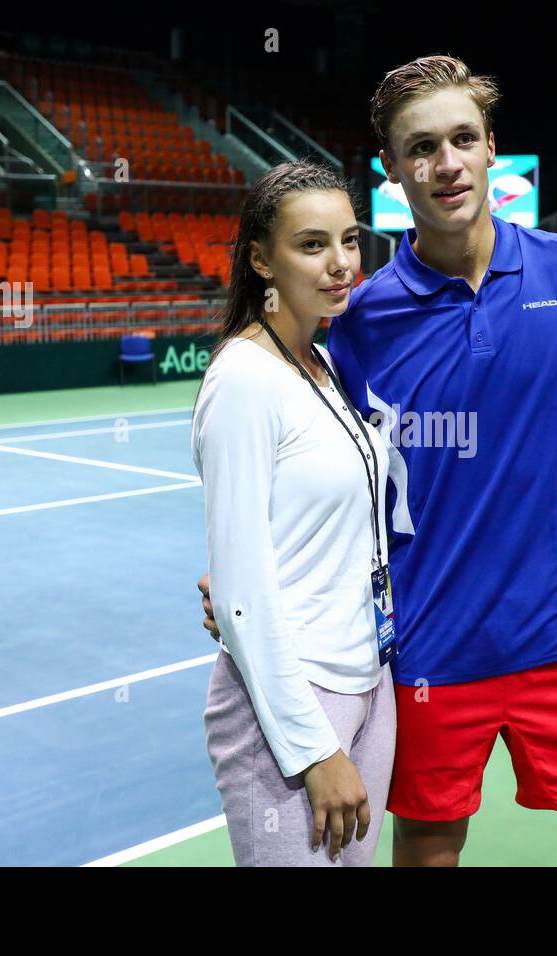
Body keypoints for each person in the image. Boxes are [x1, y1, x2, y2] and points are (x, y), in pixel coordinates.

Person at [201, 55, 557, 868]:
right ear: (393, 172)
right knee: (427, 859)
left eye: (463, 139)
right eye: (422, 148)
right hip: (431, 647)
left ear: (491, 146)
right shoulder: (359, 320)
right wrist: (243, 572)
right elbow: (330, 457)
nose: (447, 164)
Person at [192, 161, 396, 866]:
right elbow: (241, 589)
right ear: (260, 258)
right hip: (293, 704)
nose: (340, 264)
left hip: (370, 678)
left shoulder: (326, 360)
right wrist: (313, 751)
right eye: (312, 245)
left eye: (348, 240)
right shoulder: (244, 380)